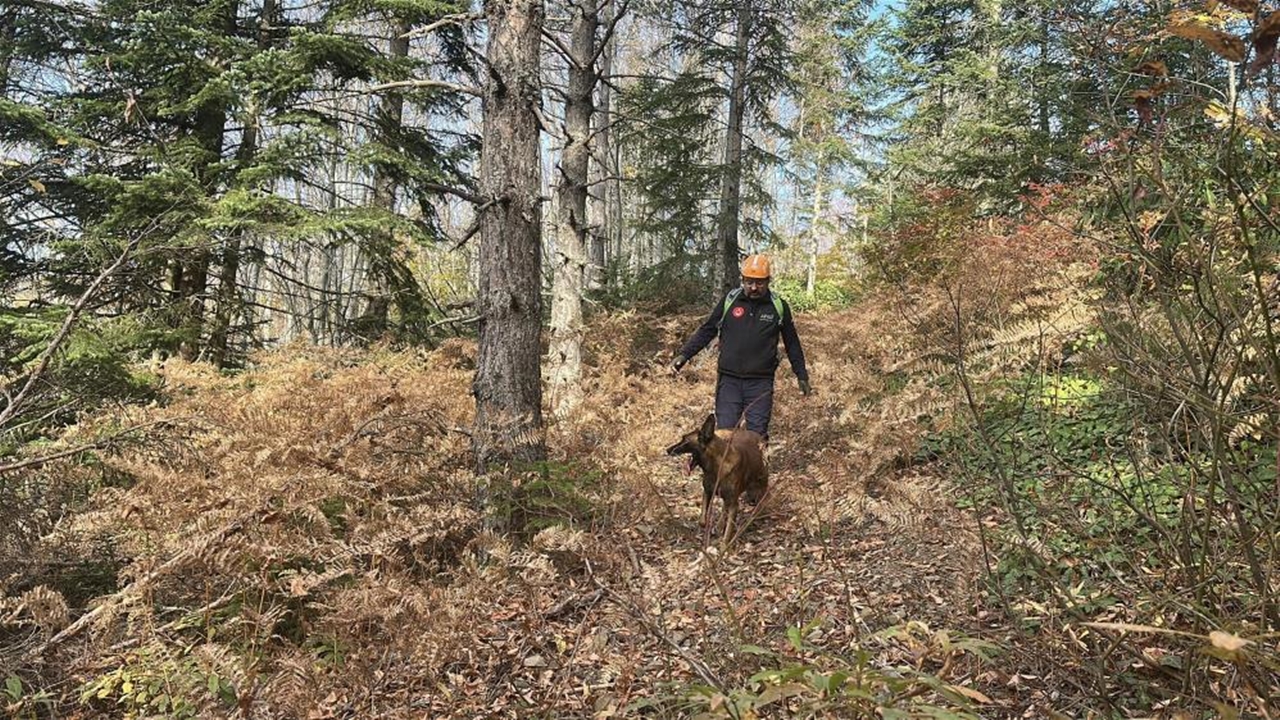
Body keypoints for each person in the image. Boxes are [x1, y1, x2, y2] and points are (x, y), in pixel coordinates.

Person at [671, 254, 811, 442]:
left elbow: (792, 342)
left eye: (760, 283)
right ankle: (727, 472)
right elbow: (707, 330)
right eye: (749, 282)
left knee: (756, 438)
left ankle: (757, 471)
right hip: (729, 381)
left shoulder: (778, 306)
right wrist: (684, 355)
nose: (754, 287)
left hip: (760, 382)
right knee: (725, 436)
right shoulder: (730, 301)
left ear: (768, 281)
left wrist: (801, 374)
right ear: (743, 280)